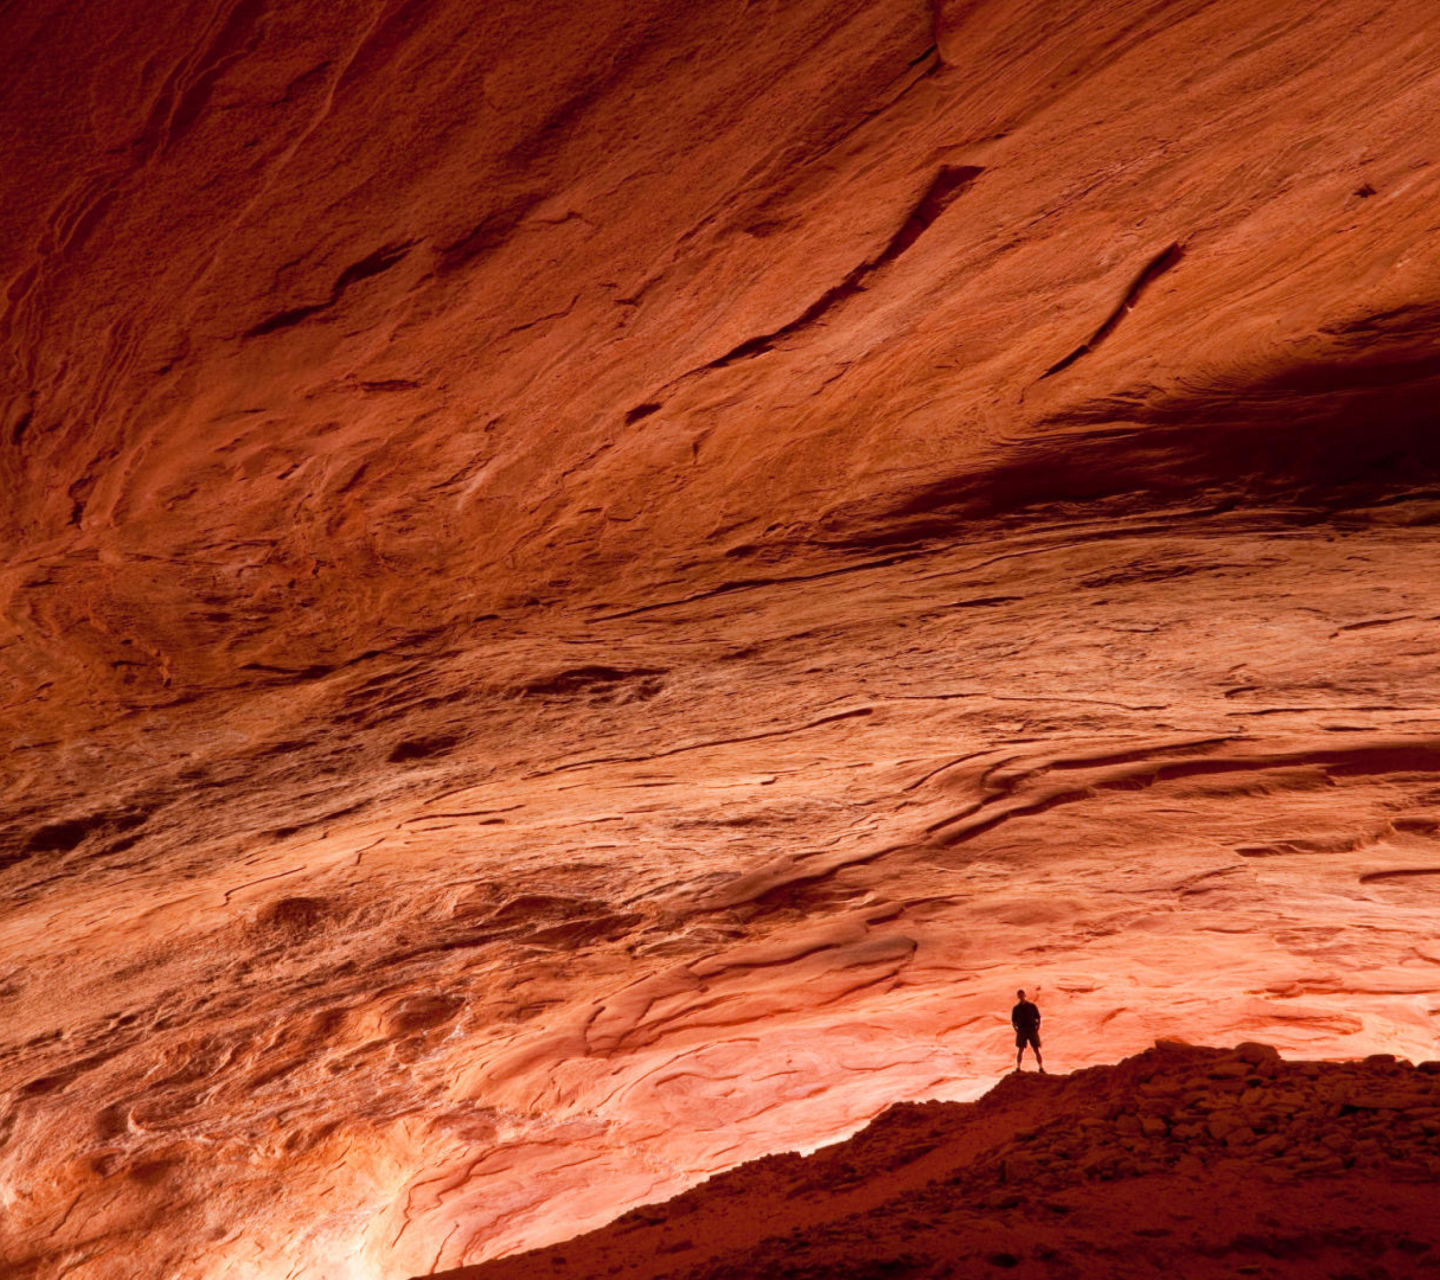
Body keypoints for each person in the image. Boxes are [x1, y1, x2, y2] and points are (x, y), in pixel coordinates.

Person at [1011, 988, 1044, 1072]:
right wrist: (1016, 1029)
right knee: (1020, 1049)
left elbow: (1038, 1017)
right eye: (1020, 995)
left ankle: (1041, 1068)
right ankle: (1018, 1068)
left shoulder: (1031, 1006)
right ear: (1018, 996)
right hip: (1022, 1030)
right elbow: (1013, 1021)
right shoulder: (1016, 1008)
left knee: (1036, 1049)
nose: (1021, 996)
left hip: (1031, 1029)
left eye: (1022, 994)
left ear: (1024, 995)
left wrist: (1037, 1028)